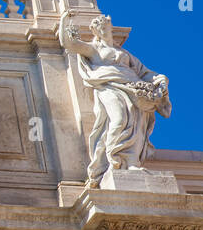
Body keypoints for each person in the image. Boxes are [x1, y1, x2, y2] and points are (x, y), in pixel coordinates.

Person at [58, 10, 170, 187]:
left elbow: (143, 72)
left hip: (133, 88)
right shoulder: (94, 49)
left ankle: (131, 163)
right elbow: (69, 43)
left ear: (109, 28)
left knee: (135, 124)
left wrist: (159, 79)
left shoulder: (123, 53)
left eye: (105, 27)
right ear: (95, 31)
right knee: (118, 119)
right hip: (109, 87)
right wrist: (65, 20)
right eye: (99, 28)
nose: (102, 30)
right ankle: (116, 162)